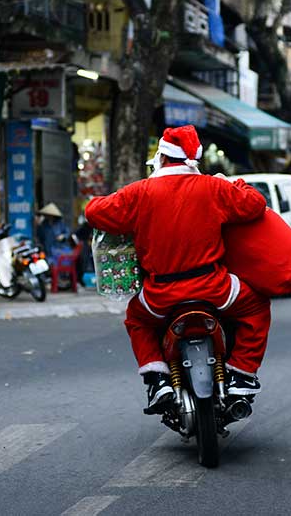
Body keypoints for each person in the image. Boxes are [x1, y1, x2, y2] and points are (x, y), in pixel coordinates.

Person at [85, 125, 271, 413]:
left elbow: (94, 212)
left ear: (160, 159)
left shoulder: (140, 192)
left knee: (137, 319)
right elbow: (255, 205)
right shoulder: (214, 187)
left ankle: (158, 379)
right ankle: (242, 375)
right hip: (214, 287)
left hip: (161, 294)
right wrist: (236, 184)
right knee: (256, 305)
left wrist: (118, 196)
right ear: (191, 161)